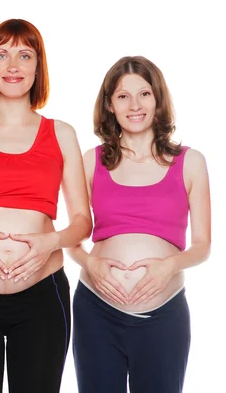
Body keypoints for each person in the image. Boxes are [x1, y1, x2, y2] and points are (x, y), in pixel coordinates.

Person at [0, 18, 92, 393]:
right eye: (2, 55)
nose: (12, 66)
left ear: (37, 67)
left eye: (24, 55)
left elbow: (81, 222)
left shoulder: (62, 134)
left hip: (43, 293)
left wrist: (49, 242)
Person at [68, 56, 211, 393]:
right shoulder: (90, 161)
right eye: (123, 96)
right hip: (95, 310)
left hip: (163, 315)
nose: (135, 105)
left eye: (144, 94)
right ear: (109, 106)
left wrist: (169, 266)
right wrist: (91, 263)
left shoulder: (190, 162)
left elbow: (203, 245)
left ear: (157, 99)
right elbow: (72, 236)